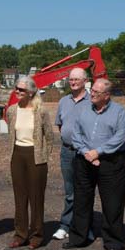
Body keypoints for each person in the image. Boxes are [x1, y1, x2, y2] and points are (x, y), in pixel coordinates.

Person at [64, 78, 125, 250]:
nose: (91, 94)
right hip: (84, 160)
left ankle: (113, 241)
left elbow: (120, 137)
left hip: (111, 162)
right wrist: (87, 153)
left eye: (96, 92)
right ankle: (79, 237)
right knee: (81, 200)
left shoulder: (119, 112)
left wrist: (97, 152)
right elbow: (76, 134)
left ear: (107, 96)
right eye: (91, 90)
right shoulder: (84, 110)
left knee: (112, 202)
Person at [6, 76, 54, 249]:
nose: (17, 92)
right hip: (17, 155)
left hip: (36, 156)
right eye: (16, 88)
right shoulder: (12, 110)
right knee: (20, 197)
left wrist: (43, 156)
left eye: (21, 90)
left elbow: (49, 137)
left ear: (31, 92)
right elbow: (11, 134)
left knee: (36, 197)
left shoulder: (41, 111)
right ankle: (20, 234)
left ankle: (37, 235)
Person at [53, 67, 91, 240]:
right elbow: (61, 125)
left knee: (85, 190)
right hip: (67, 151)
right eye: (71, 79)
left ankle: (83, 226)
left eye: (77, 79)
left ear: (85, 81)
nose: (73, 82)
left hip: (85, 153)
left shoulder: (92, 101)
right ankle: (65, 224)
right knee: (70, 191)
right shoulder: (64, 101)